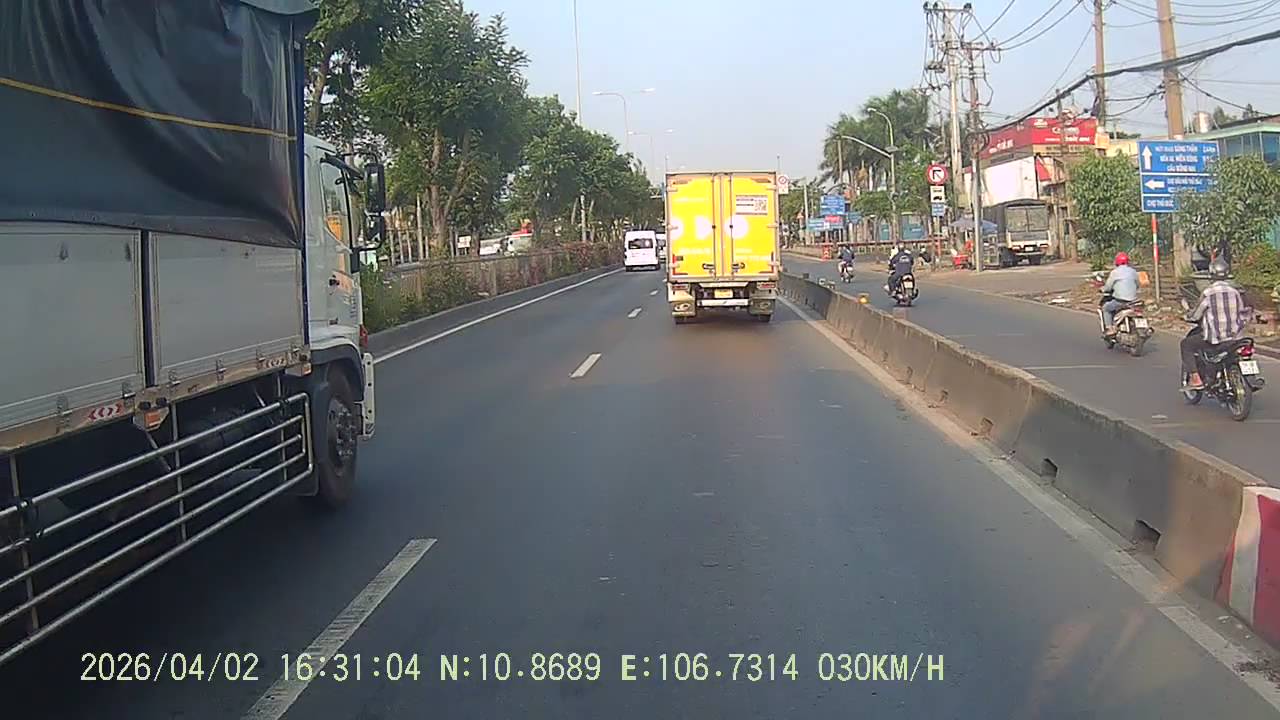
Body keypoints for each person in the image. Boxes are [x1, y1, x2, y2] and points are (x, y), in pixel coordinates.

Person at [1181, 256, 1250, 389]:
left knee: (1186, 345)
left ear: (1211, 274)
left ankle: (1196, 379)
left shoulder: (1208, 293)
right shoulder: (1235, 292)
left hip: (1216, 339)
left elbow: (1196, 315)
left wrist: (1187, 316)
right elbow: (1242, 313)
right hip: (1235, 338)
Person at [1099, 251, 1140, 335]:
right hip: (1133, 301)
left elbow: (1108, 287)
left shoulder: (1115, 272)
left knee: (1106, 308)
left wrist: (1102, 289)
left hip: (1120, 301)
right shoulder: (1133, 271)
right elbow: (1137, 284)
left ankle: (1110, 328)